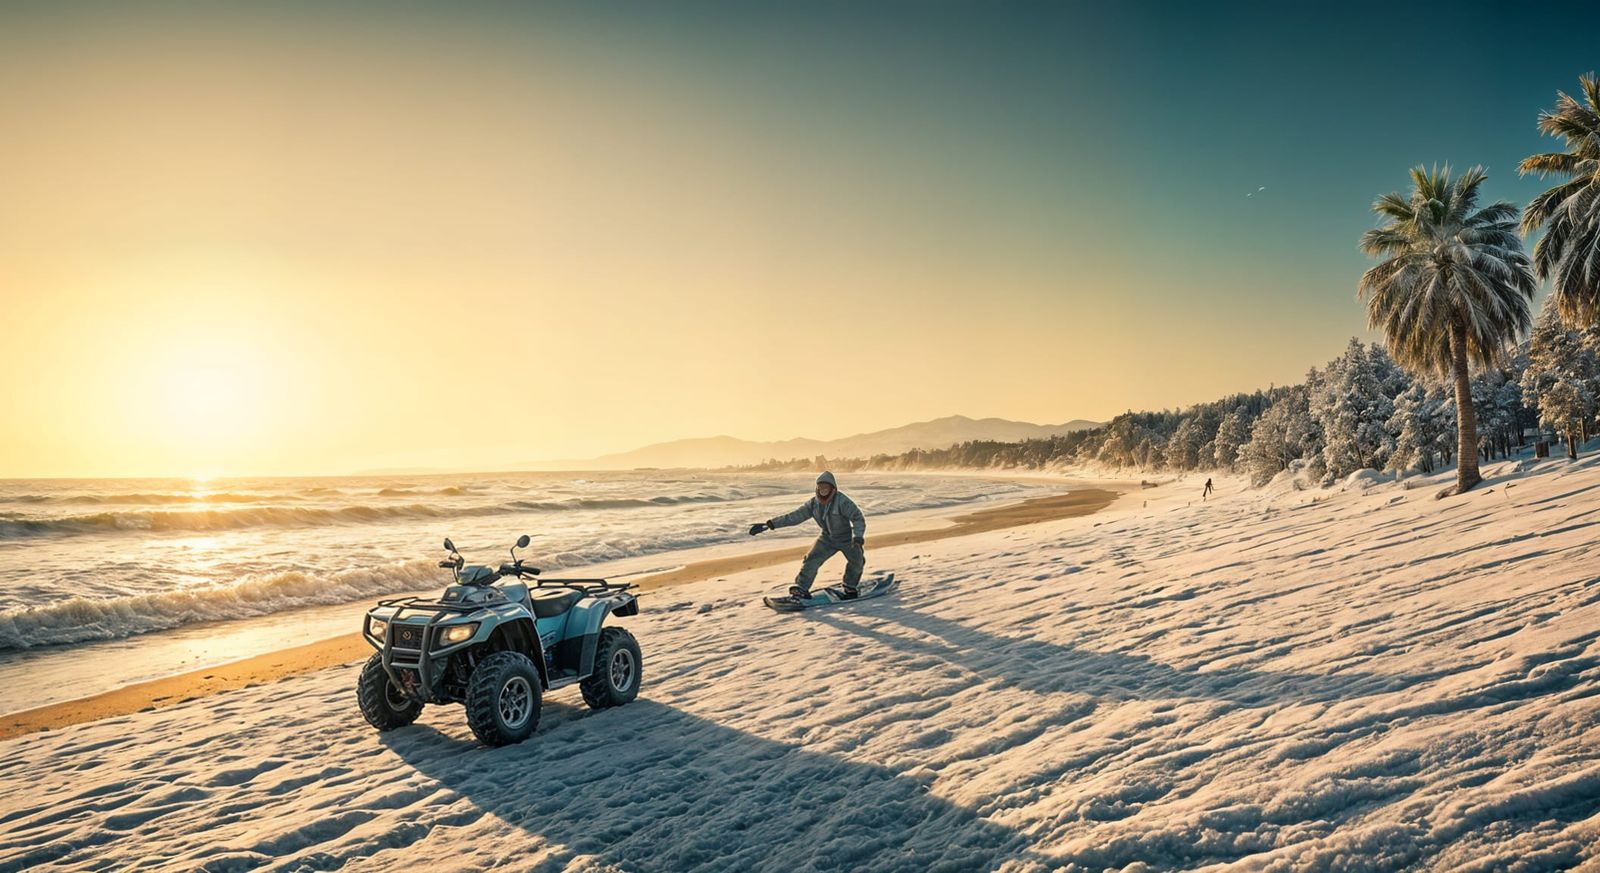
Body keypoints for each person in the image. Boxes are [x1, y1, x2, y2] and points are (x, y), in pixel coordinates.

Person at [749, 471, 866, 599]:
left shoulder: (842, 501)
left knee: (857, 561)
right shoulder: (813, 504)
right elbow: (795, 516)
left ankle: (850, 587)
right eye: (820, 487)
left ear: (833, 488)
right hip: (827, 538)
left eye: (826, 487)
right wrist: (770, 524)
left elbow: (857, 518)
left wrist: (858, 537)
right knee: (811, 560)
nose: (823, 490)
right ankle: (801, 588)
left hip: (848, 539)